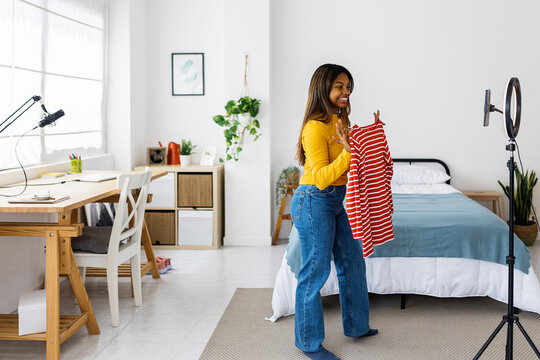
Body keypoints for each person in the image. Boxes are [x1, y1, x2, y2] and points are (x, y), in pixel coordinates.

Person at [291, 64, 378, 360]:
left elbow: (353, 163)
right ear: (323, 88)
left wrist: (371, 137)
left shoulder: (342, 120)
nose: (346, 92)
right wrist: (349, 151)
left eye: (348, 86)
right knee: (315, 272)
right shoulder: (314, 126)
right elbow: (322, 177)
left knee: (353, 263)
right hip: (314, 198)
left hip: (342, 199)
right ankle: (309, 343)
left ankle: (357, 326)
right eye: (339, 86)